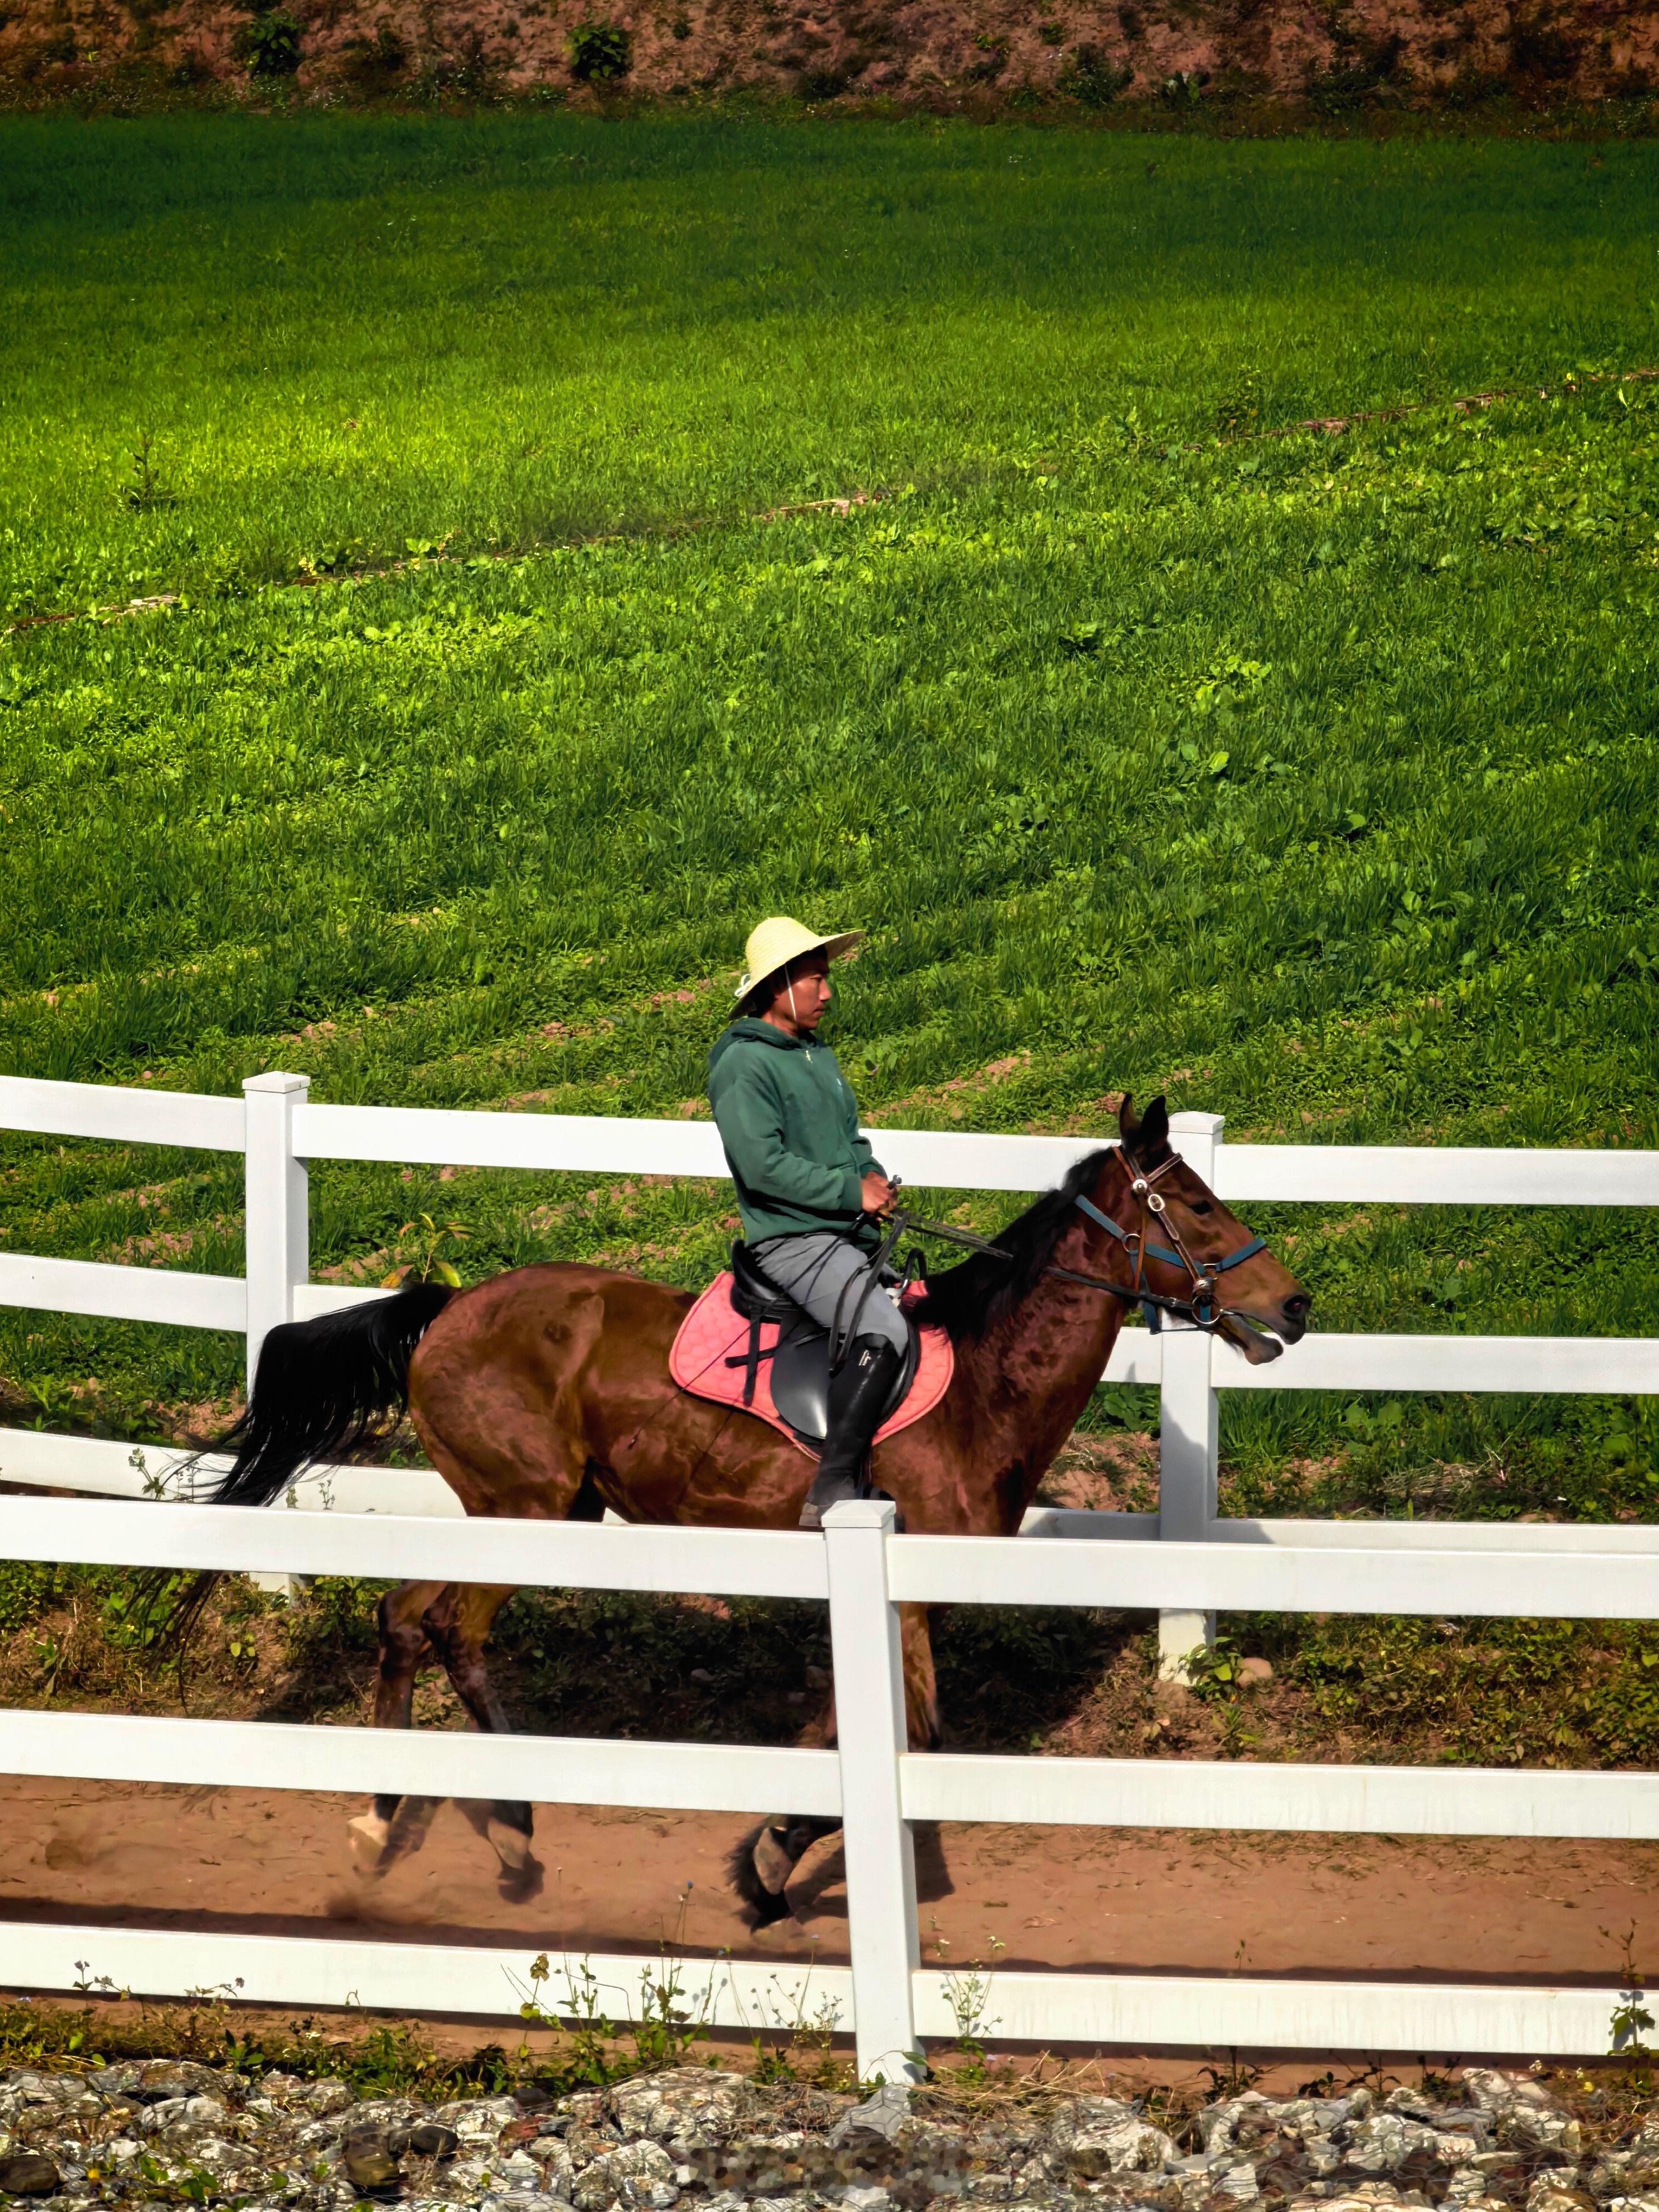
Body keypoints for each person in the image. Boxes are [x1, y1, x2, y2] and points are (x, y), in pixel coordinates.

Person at [706, 916, 907, 1530]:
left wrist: (872, 1176)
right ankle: (832, 1486)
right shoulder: (744, 1066)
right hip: (792, 1240)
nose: (827, 993)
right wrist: (852, 1191)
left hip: (841, 1230)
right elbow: (761, 1166)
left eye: (826, 978)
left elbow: (849, 1140)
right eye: (816, 979)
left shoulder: (815, 1054)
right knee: (884, 1331)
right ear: (777, 988)